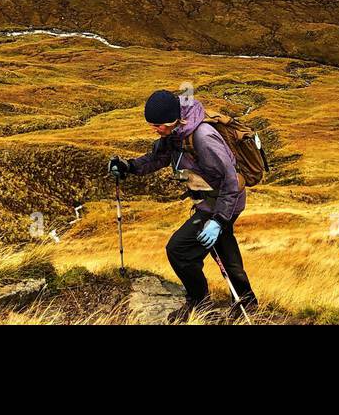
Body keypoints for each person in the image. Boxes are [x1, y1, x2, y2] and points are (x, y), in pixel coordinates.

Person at [109, 89, 258, 320]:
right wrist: (128, 166)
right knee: (224, 249)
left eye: (157, 125)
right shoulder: (175, 134)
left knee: (180, 250)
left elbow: (231, 181)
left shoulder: (203, 138)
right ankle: (247, 305)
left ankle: (199, 303)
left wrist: (218, 220)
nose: (154, 130)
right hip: (208, 202)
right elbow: (157, 158)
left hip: (221, 203)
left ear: (171, 120)